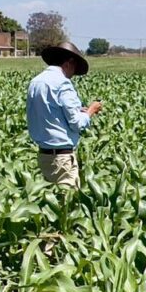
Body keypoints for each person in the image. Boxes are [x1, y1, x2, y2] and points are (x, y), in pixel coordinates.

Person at [26, 42, 102, 189]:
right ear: (69, 63)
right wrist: (91, 111)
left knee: (48, 200)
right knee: (67, 200)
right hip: (62, 158)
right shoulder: (63, 83)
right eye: (74, 68)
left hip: (43, 156)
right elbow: (77, 123)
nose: (72, 75)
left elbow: (49, 111)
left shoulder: (35, 82)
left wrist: (79, 110)